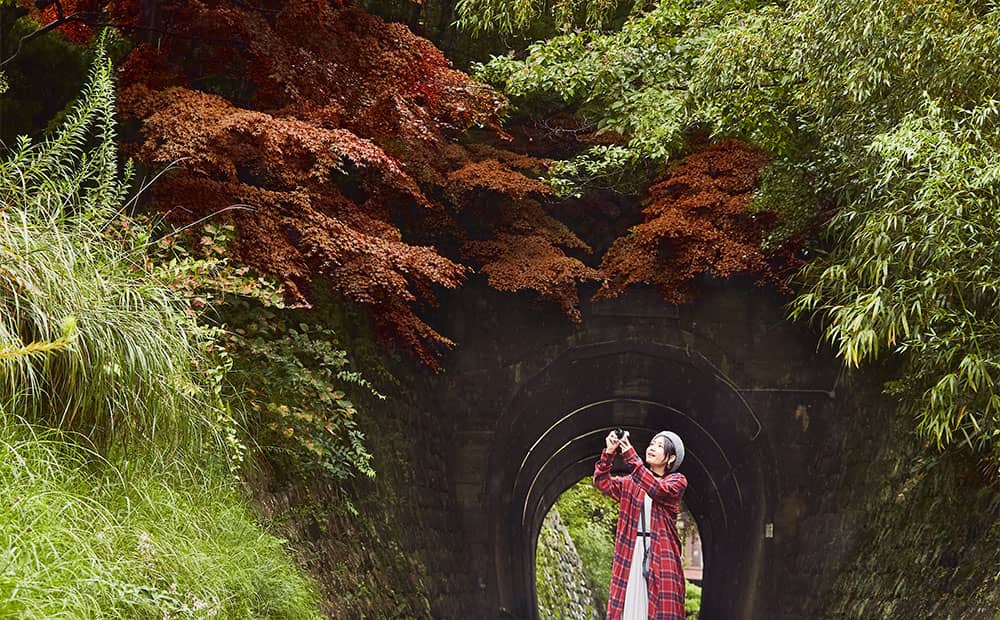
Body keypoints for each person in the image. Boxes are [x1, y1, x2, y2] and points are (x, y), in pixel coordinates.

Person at [593, 429, 688, 620]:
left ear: (670, 459)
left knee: (659, 609)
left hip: (661, 555)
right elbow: (602, 483)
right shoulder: (631, 483)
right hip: (631, 552)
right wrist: (609, 452)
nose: (652, 448)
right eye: (652, 444)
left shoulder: (677, 482)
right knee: (629, 607)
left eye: (660, 446)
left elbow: (656, 489)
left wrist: (629, 454)